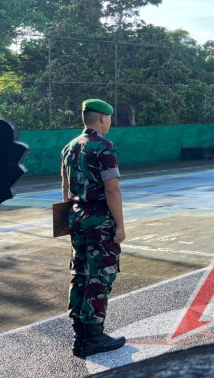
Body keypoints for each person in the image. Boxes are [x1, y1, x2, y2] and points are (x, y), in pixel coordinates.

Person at [61, 99, 126, 358]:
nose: (110, 122)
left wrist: (70, 217)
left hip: (77, 218)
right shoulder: (105, 147)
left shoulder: (69, 147)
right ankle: (94, 338)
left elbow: (65, 188)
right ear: (102, 118)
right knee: (100, 276)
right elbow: (112, 189)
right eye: (109, 118)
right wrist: (119, 225)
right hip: (100, 221)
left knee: (80, 274)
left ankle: (80, 335)